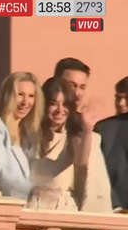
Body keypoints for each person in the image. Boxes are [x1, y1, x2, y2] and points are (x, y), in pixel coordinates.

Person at [26, 77, 112, 213]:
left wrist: (88, 129)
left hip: (63, 210)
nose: (60, 110)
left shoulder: (74, 136)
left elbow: (81, 161)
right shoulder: (30, 134)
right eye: (54, 103)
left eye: (65, 104)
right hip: (32, 208)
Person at [0, 72, 44, 199]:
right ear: (8, 96)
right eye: (20, 95)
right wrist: (33, 191)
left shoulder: (29, 136)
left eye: (31, 96)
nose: (25, 102)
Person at [94, 76, 128, 212]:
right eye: (118, 97)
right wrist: (117, 207)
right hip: (110, 212)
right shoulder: (104, 129)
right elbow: (97, 173)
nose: (120, 103)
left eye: (126, 97)